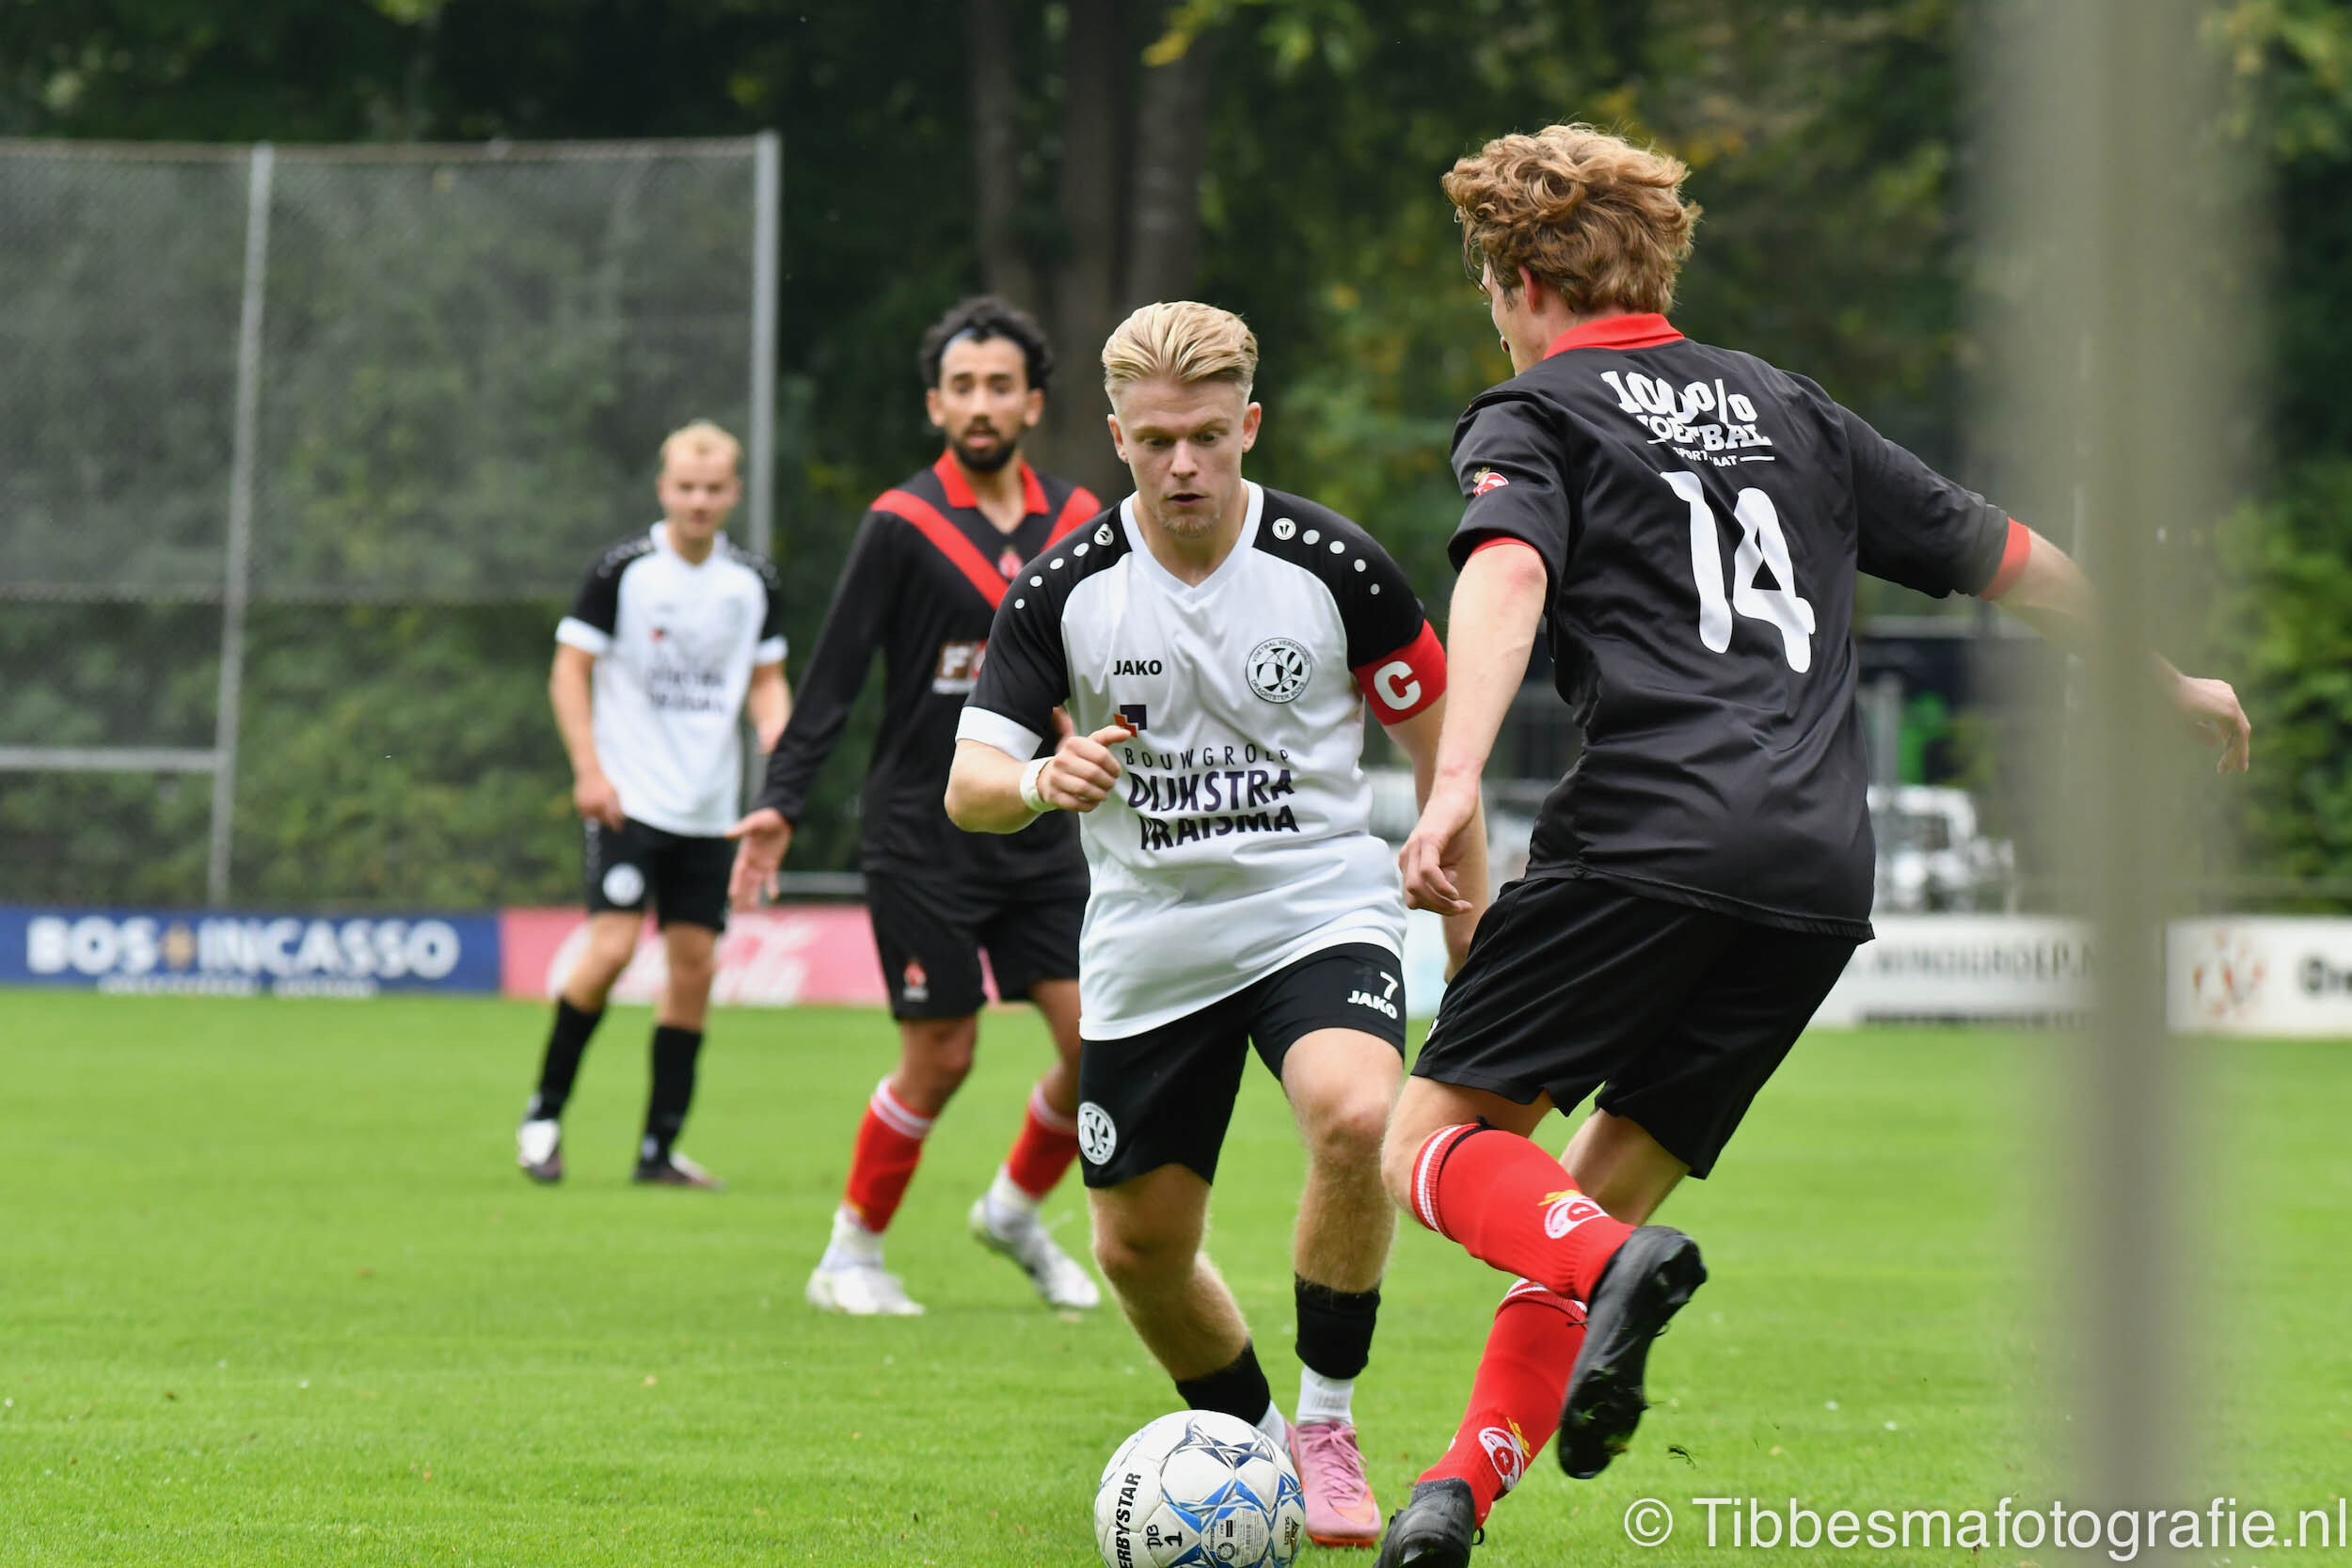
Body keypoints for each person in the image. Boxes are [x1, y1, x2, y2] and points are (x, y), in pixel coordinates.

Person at [1369, 124, 2254, 1567]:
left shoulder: (1535, 411)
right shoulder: (1790, 408)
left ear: (1523, 280)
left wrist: (1454, 776)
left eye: (1489, 291)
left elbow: (1510, 569)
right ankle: (1455, 1492)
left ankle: (1614, 1270)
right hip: (1817, 870)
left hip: (1648, 831)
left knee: (1434, 1143)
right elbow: (2009, 554)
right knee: (1592, 1197)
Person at [945, 300, 1485, 1549]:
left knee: (1356, 1113)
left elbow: (1445, 752)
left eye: (1205, 435)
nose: (1182, 463)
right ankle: (1255, 1446)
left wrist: (1472, 938)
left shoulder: (1335, 566)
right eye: (1154, 440)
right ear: (1116, 438)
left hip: (1316, 905)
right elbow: (969, 784)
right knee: (1137, 1246)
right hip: (1152, 937)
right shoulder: (1065, 589)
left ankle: (1328, 1420)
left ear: (1249, 424)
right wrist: (1043, 778)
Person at [729, 296, 1104, 1318]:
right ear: (935, 404)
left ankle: (1014, 1213)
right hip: (921, 831)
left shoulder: (1080, 520)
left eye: (1000, 386)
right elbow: (833, 679)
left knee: (1101, 1044)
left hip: (1040, 825)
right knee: (942, 1054)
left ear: (1032, 402)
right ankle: (849, 1254)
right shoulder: (900, 523)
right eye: (961, 387)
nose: (980, 404)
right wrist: (780, 803)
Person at [517, 420, 790, 1189]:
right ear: (664, 488)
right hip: (629, 801)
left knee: (694, 968)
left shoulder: (752, 582)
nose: (699, 501)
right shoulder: (623, 570)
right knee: (608, 951)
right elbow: (569, 669)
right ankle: (543, 1117)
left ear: (733, 492)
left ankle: (658, 1150)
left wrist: (776, 727)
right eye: (686, 487)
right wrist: (589, 770)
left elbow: (767, 678)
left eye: (713, 488)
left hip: (710, 811)